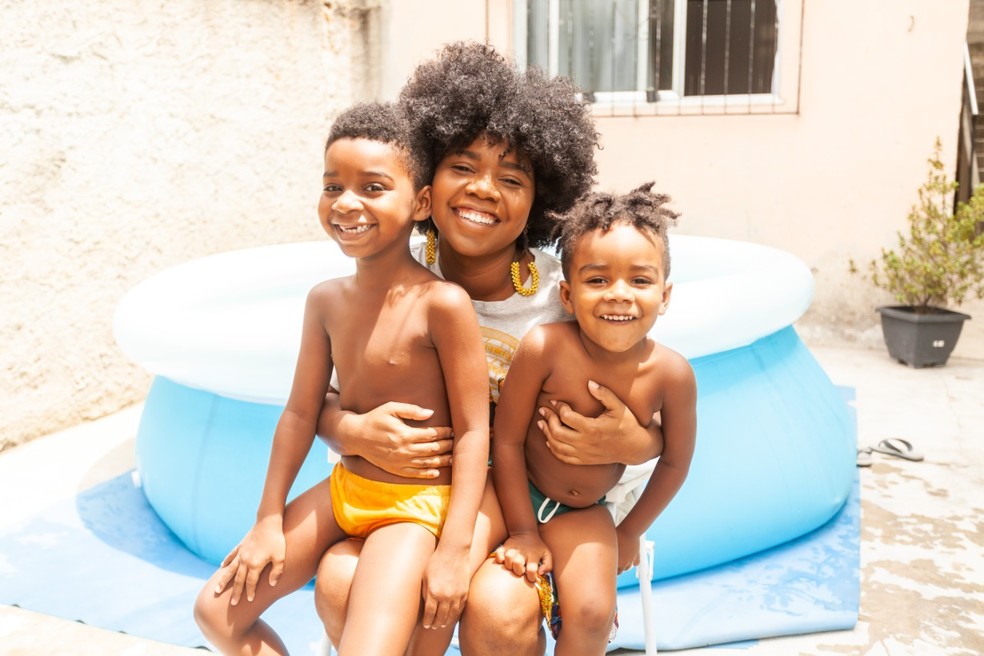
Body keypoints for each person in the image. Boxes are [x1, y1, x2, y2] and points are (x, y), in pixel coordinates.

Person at [314, 42, 666, 656]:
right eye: (462, 166)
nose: (483, 190)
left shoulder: (568, 296)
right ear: (423, 180)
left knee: (500, 610)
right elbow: (317, 400)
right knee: (339, 585)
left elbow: (645, 410)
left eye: (512, 177)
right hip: (404, 502)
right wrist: (349, 430)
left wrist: (639, 443)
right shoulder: (390, 277)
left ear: (542, 199)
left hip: (520, 511)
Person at [193, 101, 490, 656]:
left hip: (415, 507)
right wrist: (268, 520)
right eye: (333, 187)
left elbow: (476, 430)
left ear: (420, 201)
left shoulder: (442, 304)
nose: (348, 203)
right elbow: (302, 413)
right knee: (215, 614)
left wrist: (454, 548)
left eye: (373, 187)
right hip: (343, 490)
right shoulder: (325, 301)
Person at [491, 184, 698, 654]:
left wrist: (629, 531)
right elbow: (504, 442)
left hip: (582, 513)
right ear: (567, 293)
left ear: (664, 296)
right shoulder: (544, 347)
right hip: (511, 495)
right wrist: (523, 530)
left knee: (591, 613)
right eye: (598, 280)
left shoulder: (672, 375)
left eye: (640, 282)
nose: (619, 296)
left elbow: (675, 463)